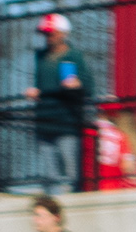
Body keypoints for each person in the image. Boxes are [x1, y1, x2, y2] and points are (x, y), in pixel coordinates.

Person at [29, 15, 91, 192]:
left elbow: (89, 87)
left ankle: (73, 200)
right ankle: (52, 202)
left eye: (52, 33)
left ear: (63, 33)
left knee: (70, 169)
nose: (48, 38)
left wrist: (78, 85)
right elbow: (40, 84)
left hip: (67, 123)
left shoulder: (75, 56)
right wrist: (35, 92)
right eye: (45, 34)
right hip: (44, 122)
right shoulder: (40, 56)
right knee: (49, 173)